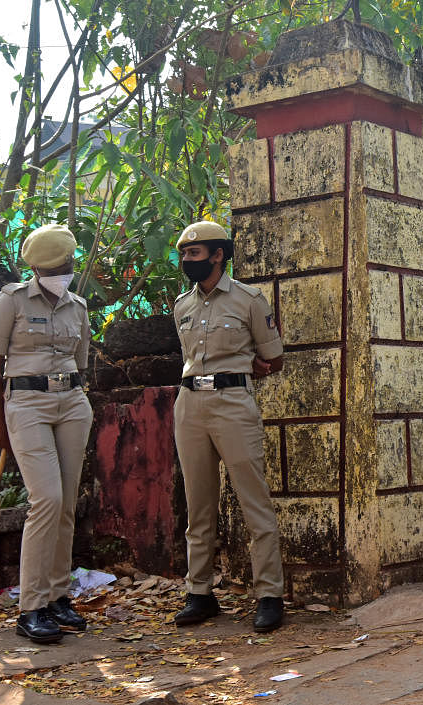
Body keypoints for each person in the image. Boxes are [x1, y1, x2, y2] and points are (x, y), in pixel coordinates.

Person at [171, 221, 287, 632]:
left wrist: (249, 370)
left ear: (218, 254)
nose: (188, 260)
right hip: (189, 404)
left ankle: (269, 595)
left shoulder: (250, 300)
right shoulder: (182, 305)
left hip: (234, 403)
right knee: (197, 505)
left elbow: (274, 358)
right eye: (184, 254)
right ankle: (199, 593)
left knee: (254, 501)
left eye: (196, 253)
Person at [0, 224, 93, 644]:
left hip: (72, 404)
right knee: (45, 499)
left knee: (65, 503)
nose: (62, 271)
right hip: (26, 404)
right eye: (54, 266)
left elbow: (80, 363)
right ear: (35, 267)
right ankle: (31, 606)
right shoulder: (9, 301)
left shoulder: (78, 306)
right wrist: (0, 425)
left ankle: (59, 597)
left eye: (65, 264)